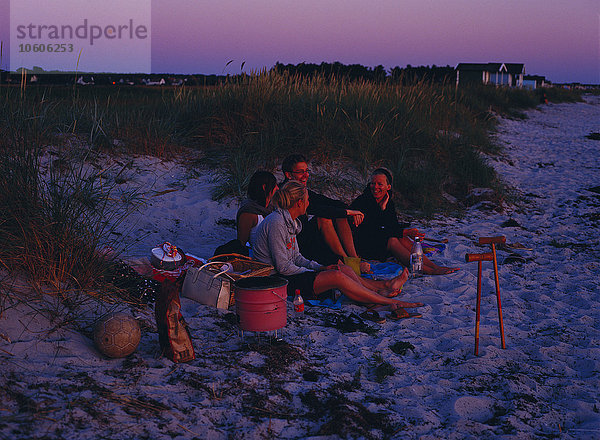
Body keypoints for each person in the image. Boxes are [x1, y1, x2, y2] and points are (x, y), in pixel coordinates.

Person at [251, 180, 422, 316]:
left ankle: (381, 289)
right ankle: (386, 300)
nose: (309, 204)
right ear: (299, 202)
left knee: (343, 269)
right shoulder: (276, 223)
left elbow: (296, 257)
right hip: (278, 282)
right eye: (307, 200)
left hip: (289, 274)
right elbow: (282, 267)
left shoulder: (291, 222)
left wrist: (321, 267)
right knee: (337, 277)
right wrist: (317, 272)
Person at [350, 168, 459, 275]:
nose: (375, 187)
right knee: (393, 240)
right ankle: (427, 270)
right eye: (373, 183)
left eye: (379, 184)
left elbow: (393, 227)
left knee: (402, 238)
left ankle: (434, 266)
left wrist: (384, 209)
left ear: (388, 187)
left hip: (378, 241)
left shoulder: (388, 202)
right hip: (363, 245)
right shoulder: (363, 201)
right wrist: (404, 231)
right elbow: (374, 230)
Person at [281, 154, 367, 269]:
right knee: (324, 217)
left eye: (307, 171)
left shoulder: (302, 189)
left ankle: (353, 258)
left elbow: (326, 201)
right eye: (300, 172)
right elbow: (317, 209)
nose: (306, 175)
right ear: (288, 174)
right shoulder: (287, 192)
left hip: (305, 233)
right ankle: (347, 262)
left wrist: (350, 210)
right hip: (296, 242)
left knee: (339, 215)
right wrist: (348, 212)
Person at [236, 171, 278, 247]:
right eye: (274, 185)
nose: (277, 188)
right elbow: (241, 243)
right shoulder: (249, 213)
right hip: (258, 256)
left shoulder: (272, 208)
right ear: (264, 187)